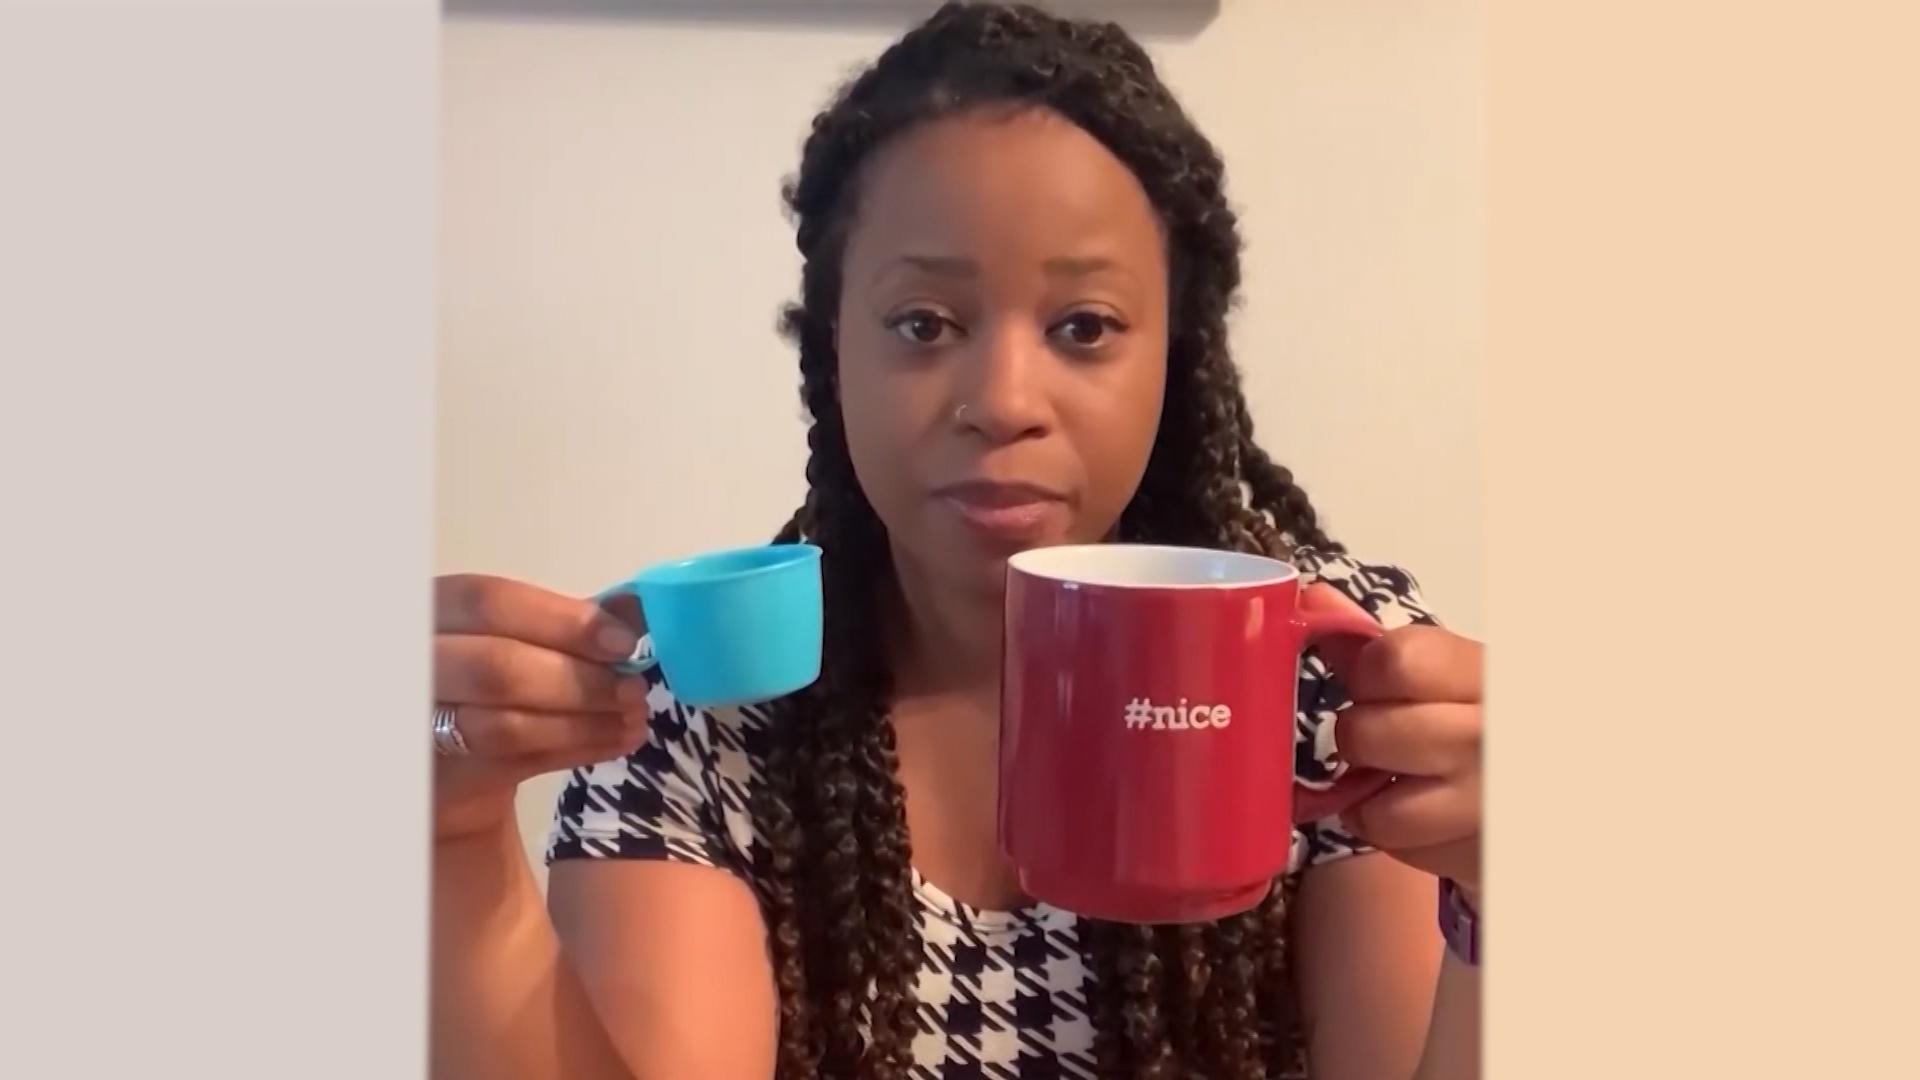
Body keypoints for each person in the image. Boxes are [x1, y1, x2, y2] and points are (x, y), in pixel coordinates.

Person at [430, 4, 1483, 1078]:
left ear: (1179, 353)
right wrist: (451, 843)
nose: (1003, 400)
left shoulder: (1335, 679)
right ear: (832, 346)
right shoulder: (700, 712)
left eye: (1084, 327)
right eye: (925, 324)